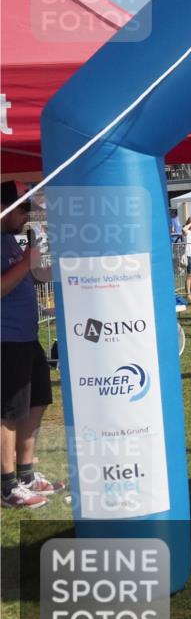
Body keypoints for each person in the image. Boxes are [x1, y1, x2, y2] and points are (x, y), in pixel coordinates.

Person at [1, 181, 63, 508]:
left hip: (27, 337)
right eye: (23, 208)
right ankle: (8, 486)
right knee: (8, 411)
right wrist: (27, 261)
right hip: (6, 339)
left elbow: (36, 277)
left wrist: (45, 262)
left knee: (37, 400)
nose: (27, 216)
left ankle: (25, 473)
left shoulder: (11, 240)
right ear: (4, 207)